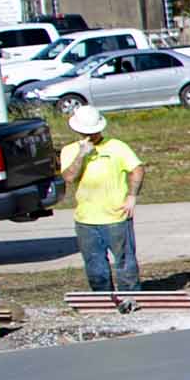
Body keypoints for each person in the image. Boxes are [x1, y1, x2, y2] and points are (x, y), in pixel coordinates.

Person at [58, 102, 144, 307]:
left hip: (116, 217)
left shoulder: (117, 147)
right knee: (95, 265)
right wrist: (82, 155)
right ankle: (104, 300)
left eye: (95, 132)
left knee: (125, 261)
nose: (92, 135)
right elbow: (69, 178)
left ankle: (131, 297)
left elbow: (137, 169)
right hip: (86, 219)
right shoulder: (70, 150)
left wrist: (132, 196)